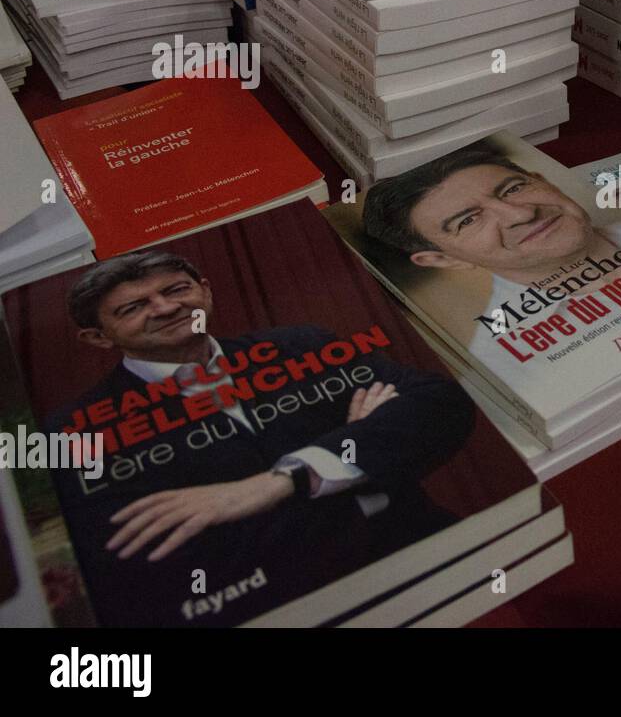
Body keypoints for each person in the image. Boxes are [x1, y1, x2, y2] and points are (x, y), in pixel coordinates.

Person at [49, 250, 475, 626]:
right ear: (98, 337)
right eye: (134, 307)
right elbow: (160, 565)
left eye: (176, 288)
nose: (166, 308)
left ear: (205, 290)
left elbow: (442, 405)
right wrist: (358, 452)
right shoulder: (75, 432)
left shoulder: (301, 344)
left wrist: (275, 485)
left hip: (440, 564)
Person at [361, 145, 621, 361]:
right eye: (468, 220)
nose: (520, 214)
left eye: (514, 189)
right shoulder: (503, 359)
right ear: (444, 259)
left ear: (545, 180)